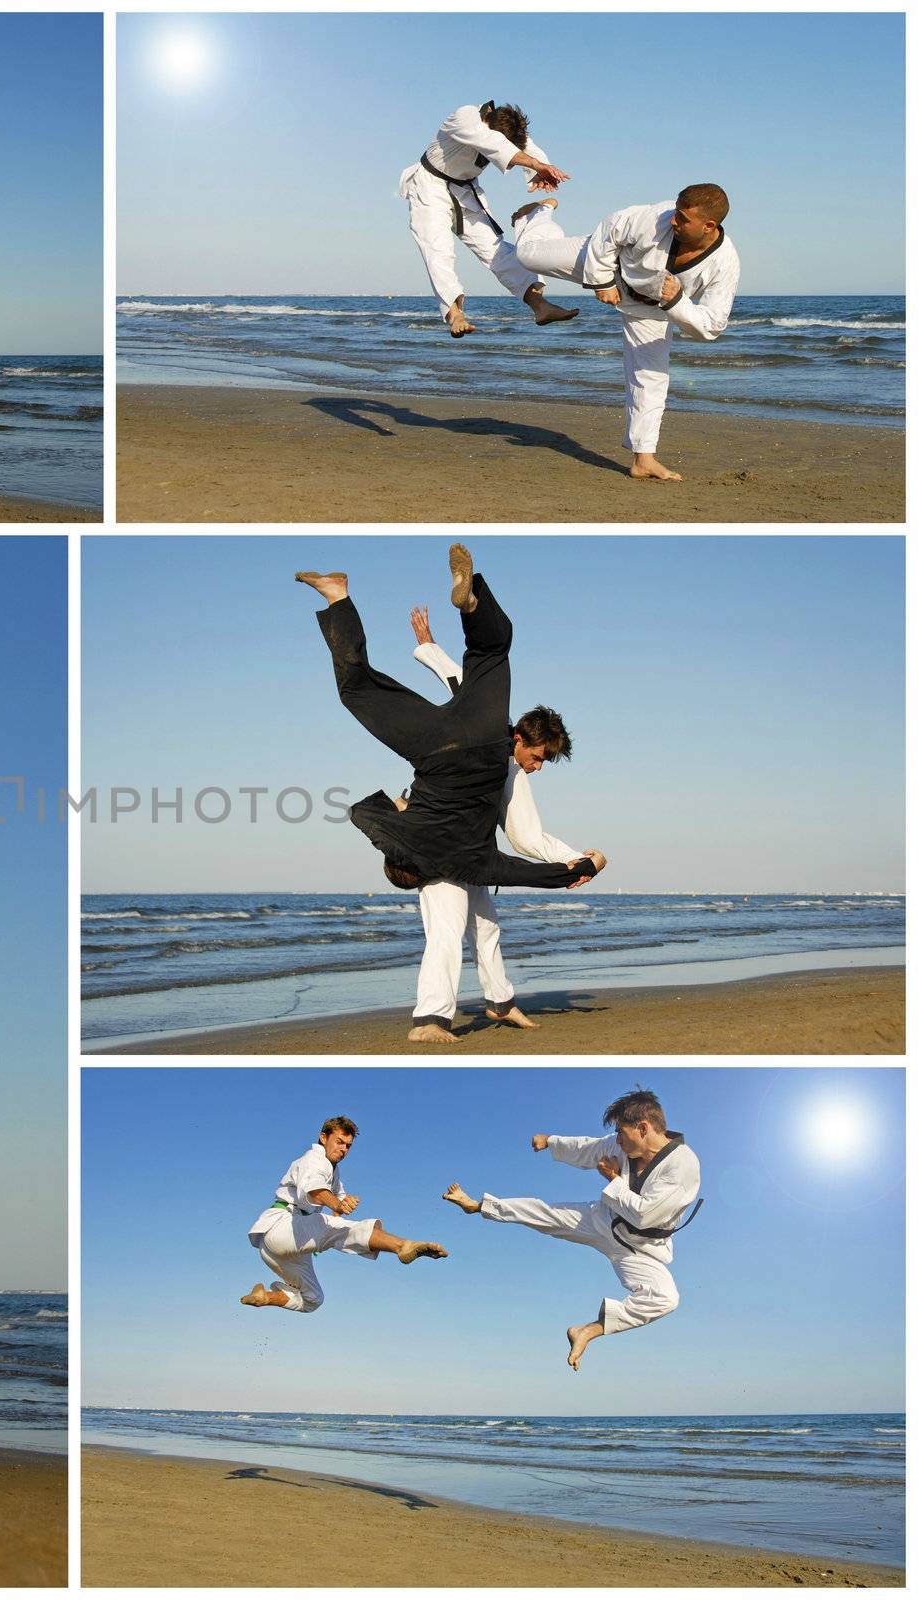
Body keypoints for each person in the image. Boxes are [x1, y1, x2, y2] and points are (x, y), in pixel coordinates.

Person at [297, 546, 606, 893]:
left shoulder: (472, 864)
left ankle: (472, 603)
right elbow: (369, 812)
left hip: (475, 738)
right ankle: (338, 596)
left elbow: (521, 871)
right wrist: (399, 808)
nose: (537, 766)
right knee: (356, 690)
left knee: (490, 652)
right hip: (434, 745)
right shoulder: (411, 824)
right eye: (539, 758)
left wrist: (584, 867)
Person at [402, 605, 595, 1044]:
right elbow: (459, 680)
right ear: (521, 738)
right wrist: (575, 861)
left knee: (486, 927)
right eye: (539, 757)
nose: (538, 766)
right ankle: (429, 1019)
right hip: (435, 843)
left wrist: (573, 860)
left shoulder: (512, 768)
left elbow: (457, 679)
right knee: (446, 930)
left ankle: (500, 1002)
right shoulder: (492, 742)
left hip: (471, 854)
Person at [443, 1088, 701, 1369]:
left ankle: (587, 1331)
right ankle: (478, 1205)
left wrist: (613, 1178)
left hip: (641, 1249)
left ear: (643, 1128)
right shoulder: (622, 1146)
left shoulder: (683, 1166)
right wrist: (551, 1142)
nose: (617, 1140)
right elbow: (589, 1148)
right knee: (547, 1215)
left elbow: (645, 1214)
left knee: (666, 1298)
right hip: (604, 1219)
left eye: (621, 1134)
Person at [511, 187, 740, 481]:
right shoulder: (658, 216)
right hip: (608, 260)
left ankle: (643, 459)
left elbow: (712, 325)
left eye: (682, 218)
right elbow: (611, 228)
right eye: (675, 213)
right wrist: (602, 280)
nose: (673, 220)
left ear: (709, 225)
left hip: (652, 310)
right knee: (527, 255)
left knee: (651, 379)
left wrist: (676, 303)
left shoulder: (725, 263)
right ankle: (539, 213)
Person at [398, 101, 578, 337]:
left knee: (496, 250)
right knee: (437, 249)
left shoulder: (504, 131)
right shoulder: (466, 116)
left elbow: (529, 147)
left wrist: (539, 170)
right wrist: (535, 165)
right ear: (488, 120)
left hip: (465, 192)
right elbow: (492, 142)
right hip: (430, 187)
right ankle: (455, 314)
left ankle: (540, 306)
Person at [241, 1116, 446, 1312]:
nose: (343, 1149)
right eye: (339, 1142)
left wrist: (341, 1204)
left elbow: (335, 1202)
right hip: (284, 1226)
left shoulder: (332, 1170)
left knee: (313, 1298)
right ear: (323, 1137)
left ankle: (265, 1297)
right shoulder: (314, 1159)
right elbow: (315, 1189)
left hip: (280, 1249)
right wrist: (337, 1205)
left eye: (348, 1146)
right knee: (341, 1228)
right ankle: (402, 1246)